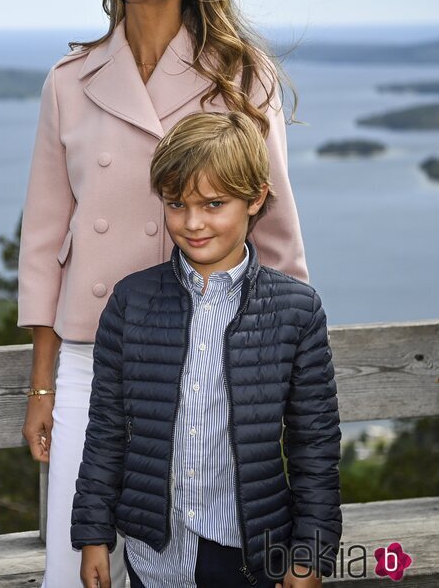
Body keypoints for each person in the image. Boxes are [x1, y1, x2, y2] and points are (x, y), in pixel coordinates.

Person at [17, 0, 309, 587]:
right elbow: (44, 236)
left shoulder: (241, 75)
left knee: (195, 565)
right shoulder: (69, 80)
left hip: (209, 353)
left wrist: (284, 367)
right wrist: (43, 385)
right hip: (92, 357)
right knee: (72, 566)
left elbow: (274, 228)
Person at [72, 111, 341, 588]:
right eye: (176, 204)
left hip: (250, 553)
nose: (192, 223)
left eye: (214, 203)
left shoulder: (296, 310)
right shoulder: (130, 302)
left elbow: (313, 444)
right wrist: (93, 533)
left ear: (255, 197)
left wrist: (312, 554)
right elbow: (107, 430)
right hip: (153, 554)